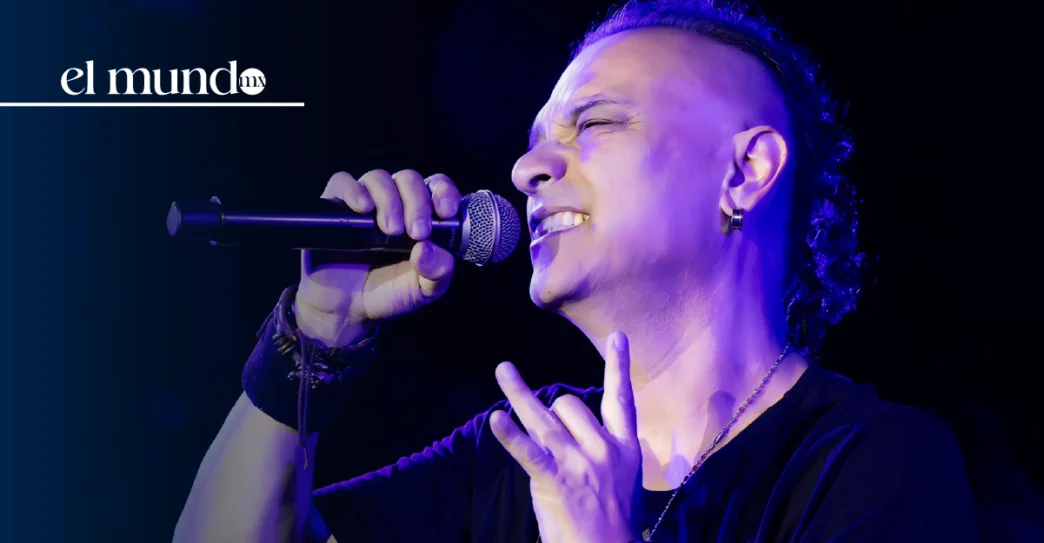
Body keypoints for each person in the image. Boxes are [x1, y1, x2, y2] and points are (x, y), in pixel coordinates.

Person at [174, 1, 978, 542]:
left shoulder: (874, 461)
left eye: (594, 123)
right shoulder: (518, 451)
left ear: (744, 173)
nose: (526, 171)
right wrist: (314, 337)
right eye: (533, 142)